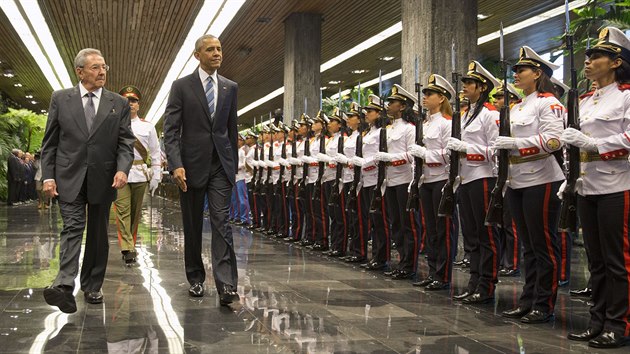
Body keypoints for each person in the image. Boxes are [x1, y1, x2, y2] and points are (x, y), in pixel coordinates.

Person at [40, 48, 135, 313]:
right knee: (72, 227)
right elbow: (50, 143)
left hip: (104, 178)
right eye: (95, 67)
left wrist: (122, 169)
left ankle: (92, 285)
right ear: (80, 71)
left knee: (97, 234)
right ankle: (64, 285)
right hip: (68, 176)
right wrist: (47, 176)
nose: (102, 71)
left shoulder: (118, 103)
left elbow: (126, 142)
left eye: (104, 67)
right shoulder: (61, 99)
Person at [562, 26, 630, 348]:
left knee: (619, 261)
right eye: (587, 57)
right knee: (596, 260)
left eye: (597, 56)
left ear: (616, 61)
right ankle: (597, 320)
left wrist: (591, 142)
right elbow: (572, 144)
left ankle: (620, 324)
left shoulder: (627, 96)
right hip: (587, 186)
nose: (588, 62)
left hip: (618, 185)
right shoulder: (586, 100)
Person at [163, 34, 240, 306]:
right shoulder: (182, 86)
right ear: (198, 55)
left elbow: (231, 131)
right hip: (190, 167)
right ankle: (195, 277)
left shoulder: (230, 87)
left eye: (219, 48)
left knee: (222, 223)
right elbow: (170, 131)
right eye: (210, 49)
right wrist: (176, 164)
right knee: (193, 225)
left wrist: (233, 166)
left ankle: (227, 285)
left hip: (220, 165)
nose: (217, 53)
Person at [493, 46, 565, 323]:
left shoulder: (548, 103)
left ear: (537, 73)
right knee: (528, 245)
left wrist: (517, 144)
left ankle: (544, 303)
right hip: (517, 179)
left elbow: (554, 141)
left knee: (544, 244)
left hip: (542, 177)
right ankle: (528, 299)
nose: (516, 75)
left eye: (520, 70)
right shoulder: (518, 106)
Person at [446, 61, 500, 304]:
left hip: (483, 177)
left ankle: (486, 284)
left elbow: (497, 150)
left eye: (469, 83)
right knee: (471, 234)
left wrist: (467, 149)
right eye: (464, 83)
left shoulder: (490, 114)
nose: (464, 87)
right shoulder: (467, 114)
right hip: (466, 178)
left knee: (485, 234)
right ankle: (474, 282)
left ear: (482, 87)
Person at [408, 74, 455, 290]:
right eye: (425, 93)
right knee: (431, 229)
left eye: (430, 94)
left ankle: (443, 275)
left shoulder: (447, 123)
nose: (425, 97)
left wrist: (427, 154)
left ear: (442, 98)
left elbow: (450, 153)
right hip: (426, 178)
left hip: (441, 178)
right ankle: (433, 271)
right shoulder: (425, 124)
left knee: (442, 229)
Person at [374, 85, 421, 280]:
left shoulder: (410, 129)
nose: (388, 105)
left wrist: (391, 158)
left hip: (404, 179)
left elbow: (412, 154)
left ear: (402, 106)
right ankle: (402, 261)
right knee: (395, 223)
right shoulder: (389, 128)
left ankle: (410, 264)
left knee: (408, 224)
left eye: (392, 102)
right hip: (390, 180)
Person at [113, 85, 161, 265]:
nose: (130, 104)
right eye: (126, 101)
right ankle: (128, 248)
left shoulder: (148, 127)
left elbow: (155, 152)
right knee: (123, 211)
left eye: (133, 101)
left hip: (140, 174)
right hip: (120, 174)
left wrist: (156, 175)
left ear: (138, 105)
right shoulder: (113, 123)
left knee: (135, 212)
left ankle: (130, 242)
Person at [351, 95, 391, 270]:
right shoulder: (369, 133)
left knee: (381, 220)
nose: (366, 114)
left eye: (370, 111)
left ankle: (381, 257)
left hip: (378, 178)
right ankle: (375, 255)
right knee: (372, 220)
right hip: (366, 179)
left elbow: (380, 154)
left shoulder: (384, 131)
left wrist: (365, 163)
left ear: (380, 113)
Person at [492, 83, 523, 278]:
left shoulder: (515, 116)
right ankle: (503, 260)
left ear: (511, 98)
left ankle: (512, 262)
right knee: (501, 222)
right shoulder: (501, 118)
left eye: (499, 98)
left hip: (515, 173)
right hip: (501, 174)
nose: (495, 101)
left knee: (511, 225)